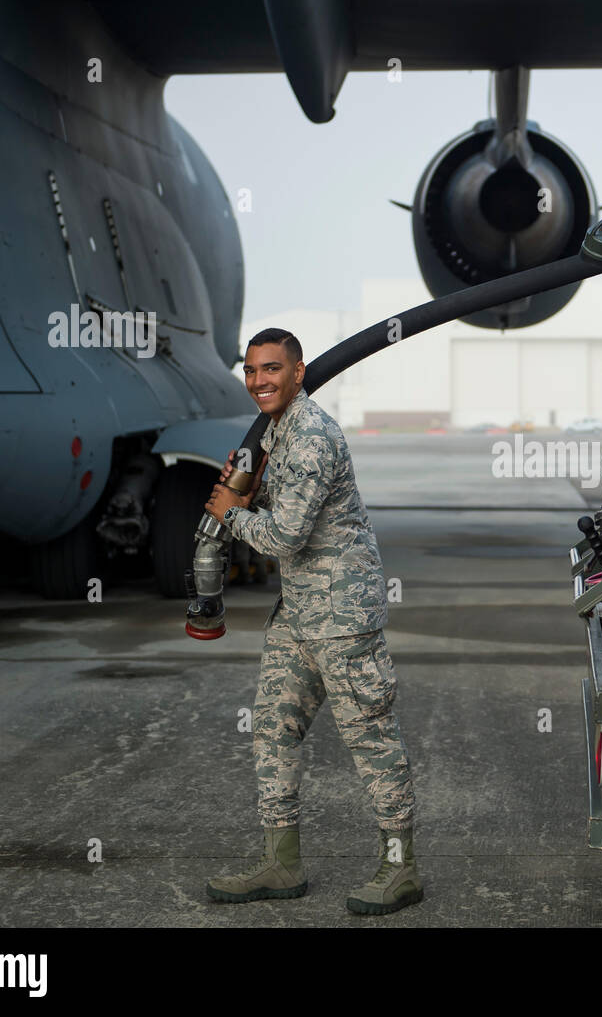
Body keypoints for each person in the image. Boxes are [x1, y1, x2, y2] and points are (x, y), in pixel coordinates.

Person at [202, 327, 421, 915]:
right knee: (272, 730)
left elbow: (286, 535)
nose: (258, 382)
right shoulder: (279, 431)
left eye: (271, 369)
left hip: (342, 614)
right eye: (250, 371)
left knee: (369, 739)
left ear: (298, 373)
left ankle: (400, 869)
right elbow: (286, 512)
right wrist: (249, 492)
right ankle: (283, 862)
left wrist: (231, 513)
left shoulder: (314, 434)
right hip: (300, 612)